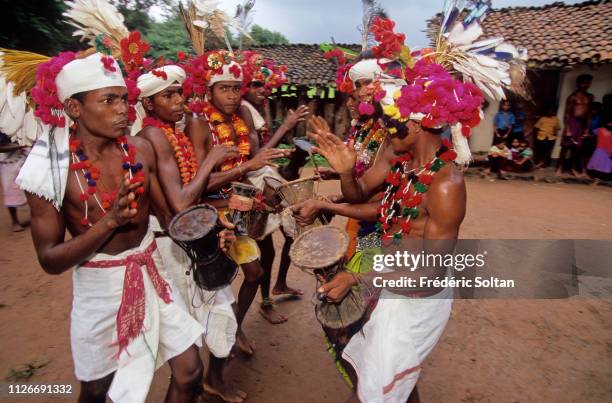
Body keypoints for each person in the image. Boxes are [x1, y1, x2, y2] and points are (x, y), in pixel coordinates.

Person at [15, 52, 236, 402]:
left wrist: (208, 230)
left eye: (124, 99)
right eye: (108, 100)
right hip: (100, 288)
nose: (123, 110)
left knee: (190, 370)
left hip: (153, 270)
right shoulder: (49, 170)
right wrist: (111, 222)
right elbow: (50, 260)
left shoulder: (140, 149)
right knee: (97, 390)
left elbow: (169, 219)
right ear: (74, 109)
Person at [134, 65, 248, 402]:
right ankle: (198, 385)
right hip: (171, 247)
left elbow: (188, 198)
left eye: (179, 92)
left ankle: (202, 385)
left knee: (206, 327)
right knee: (190, 350)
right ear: (149, 104)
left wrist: (216, 222)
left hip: (185, 240)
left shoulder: (171, 133)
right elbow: (182, 200)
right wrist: (211, 160)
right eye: (167, 95)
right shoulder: (153, 136)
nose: (178, 100)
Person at [184, 51, 291, 356]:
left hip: (240, 206)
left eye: (235, 88)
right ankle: (216, 345)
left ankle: (234, 328)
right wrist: (246, 168)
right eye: (224, 89)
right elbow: (200, 183)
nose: (231, 96)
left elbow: (250, 162)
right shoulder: (199, 124)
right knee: (219, 282)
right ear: (209, 91)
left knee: (253, 274)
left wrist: (261, 189)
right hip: (213, 214)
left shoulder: (242, 116)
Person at [239, 51, 308, 324]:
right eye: (255, 85)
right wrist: (287, 126)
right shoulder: (245, 110)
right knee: (266, 250)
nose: (262, 90)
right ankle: (265, 302)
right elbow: (256, 158)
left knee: (291, 231)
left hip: (265, 182)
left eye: (264, 86)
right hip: (255, 187)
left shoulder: (252, 110)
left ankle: (278, 285)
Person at [557, 74, 593, 177]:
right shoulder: (572, 97)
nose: (586, 85)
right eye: (583, 82)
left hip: (582, 123)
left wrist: (587, 128)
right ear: (578, 84)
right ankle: (560, 167)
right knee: (565, 147)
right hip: (572, 122)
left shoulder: (590, 97)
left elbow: (589, 115)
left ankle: (572, 168)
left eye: (587, 83)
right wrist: (567, 129)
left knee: (576, 148)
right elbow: (567, 114)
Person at [0, 135, 28, 231]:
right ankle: (15, 221)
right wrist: (20, 145)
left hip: (23, 155)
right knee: (10, 192)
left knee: (33, 187)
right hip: (7, 162)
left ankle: (37, 215)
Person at [586, 111, 612, 181]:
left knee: (606, 165)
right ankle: (597, 177)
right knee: (596, 163)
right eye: (610, 122)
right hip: (600, 150)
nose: (611, 124)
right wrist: (587, 134)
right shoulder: (600, 130)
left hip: (609, 151)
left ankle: (603, 178)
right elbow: (591, 134)